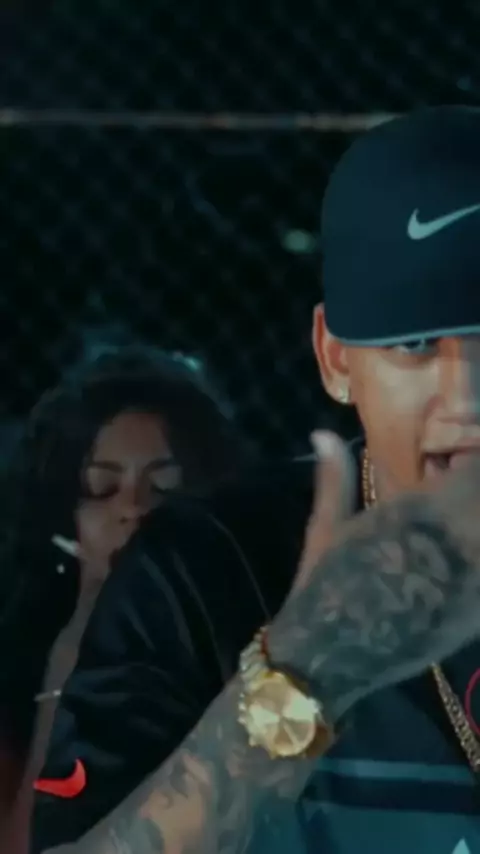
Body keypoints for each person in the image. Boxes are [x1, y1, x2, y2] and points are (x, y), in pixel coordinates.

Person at [31, 105, 480, 854]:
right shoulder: (209, 569)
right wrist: (298, 677)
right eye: (414, 344)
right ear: (336, 359)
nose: (467, 400)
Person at [0, 344, 248, 841]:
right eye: (101, 488)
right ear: (64, 518)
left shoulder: (256, 640)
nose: (134, 509)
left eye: (165, 487)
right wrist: (65, 670)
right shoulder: (17, 672)